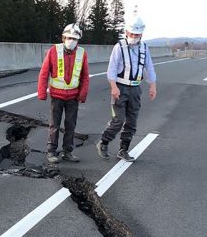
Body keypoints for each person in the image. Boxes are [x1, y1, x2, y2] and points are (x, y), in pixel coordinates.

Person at [96, 15, 157, 162]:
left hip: (135, 89)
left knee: (131, 121)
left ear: (141, 34)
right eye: (132, 34)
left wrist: (152, 85)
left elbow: (149, 67)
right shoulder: (119, 47)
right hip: (120, 88)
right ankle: (103, 142)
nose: (134, 37)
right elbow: (111, 69)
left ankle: (123, 150)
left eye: (137, 35)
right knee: (118, 120)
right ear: (126, 32)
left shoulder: (144, 48)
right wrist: (113, 87)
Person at [37, 23, 90, 163]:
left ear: (78, 40)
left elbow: (85, 76)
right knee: (54, 125)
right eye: (69, 38)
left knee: (70, 125)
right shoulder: (54, 51)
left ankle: (68, 152)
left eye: (74, 39)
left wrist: (82, 94)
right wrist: (42, 92)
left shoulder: (82, 53)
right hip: (57, 96)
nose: (71, 41)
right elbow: (44, 72)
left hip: (73, 97)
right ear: (63, 38)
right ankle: (51, 151)